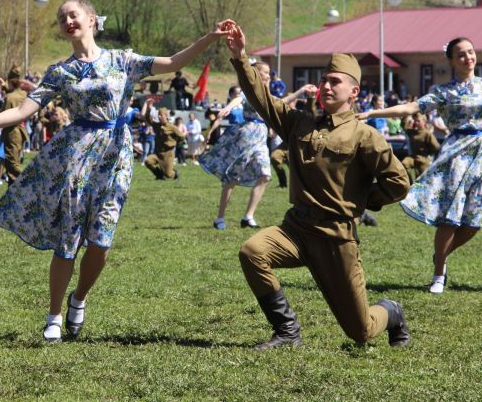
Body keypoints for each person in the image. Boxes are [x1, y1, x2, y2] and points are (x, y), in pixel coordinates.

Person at [0, 0, 234, 342]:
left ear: (92, 19)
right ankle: (53, 316)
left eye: (73, 14)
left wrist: (209, 39)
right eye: (62, 17)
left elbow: (172, 62)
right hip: (75, 155)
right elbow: (22, 112)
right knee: (69, 239)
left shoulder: (122, 60)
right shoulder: (60, 72)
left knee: (101, 242)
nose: (68, 20)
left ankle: (79, 298)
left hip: (115, 155)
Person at [227, 24, 411, 350]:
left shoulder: (364, 136)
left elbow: (399, 183)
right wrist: (241, 57)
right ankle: (287, 332)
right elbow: (261, 98)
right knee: (252, 251)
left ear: (354, 92)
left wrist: (363, 200)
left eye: (335, 82)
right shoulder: (298, 122)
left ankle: (391, 311)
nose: (326, 86)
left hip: (336, 239)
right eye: (324, 80)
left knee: (362, 332)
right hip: (296, 228)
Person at [358, 37, 482, 295]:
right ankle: (439, 273)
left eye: (471, 52)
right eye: (461, 54)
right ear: (451, 61)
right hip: (459, 156)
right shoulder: (444, 91)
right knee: (450, 218)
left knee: (474, 222)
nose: (468, 57)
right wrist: (372, 113)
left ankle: (440, 256)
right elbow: (411, 107)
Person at [201, 77, 315, 229]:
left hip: (261, 139)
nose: (267, 77)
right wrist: (228, 106)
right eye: (263, 74)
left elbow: (283, 102)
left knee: (265, 175)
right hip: (246, 136)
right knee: (232, 179)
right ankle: (220, 218)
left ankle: (248, 217)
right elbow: (237, 100)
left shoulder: (267, 95)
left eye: (268, 75)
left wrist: (301, 91)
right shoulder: (249, 92)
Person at [142, 100, 186, 180]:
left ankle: (175, 173)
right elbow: (148, 119)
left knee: (169, 175)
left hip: (168, 154)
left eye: (161, 115)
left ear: (166, 116)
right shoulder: (157, 125)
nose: (159, 117)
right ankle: (159, 175)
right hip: (158, 153)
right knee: (148, 161)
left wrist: (175, 142)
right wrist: (148, 108)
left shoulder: (172, 127)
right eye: (158, 115)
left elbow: (182, 136)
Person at [400, 113, 440, 184]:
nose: (416, 123)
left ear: (424, 122)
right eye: (415, 121)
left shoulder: (427, 134)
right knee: (404, 164)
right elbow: (403, 126)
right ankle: (410, 183)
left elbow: (436, 147)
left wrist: (430, 155)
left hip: (423, 158)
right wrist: (407, 116)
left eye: (418, 121)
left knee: (423, 177)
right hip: (413, 157)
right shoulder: (412, 132)